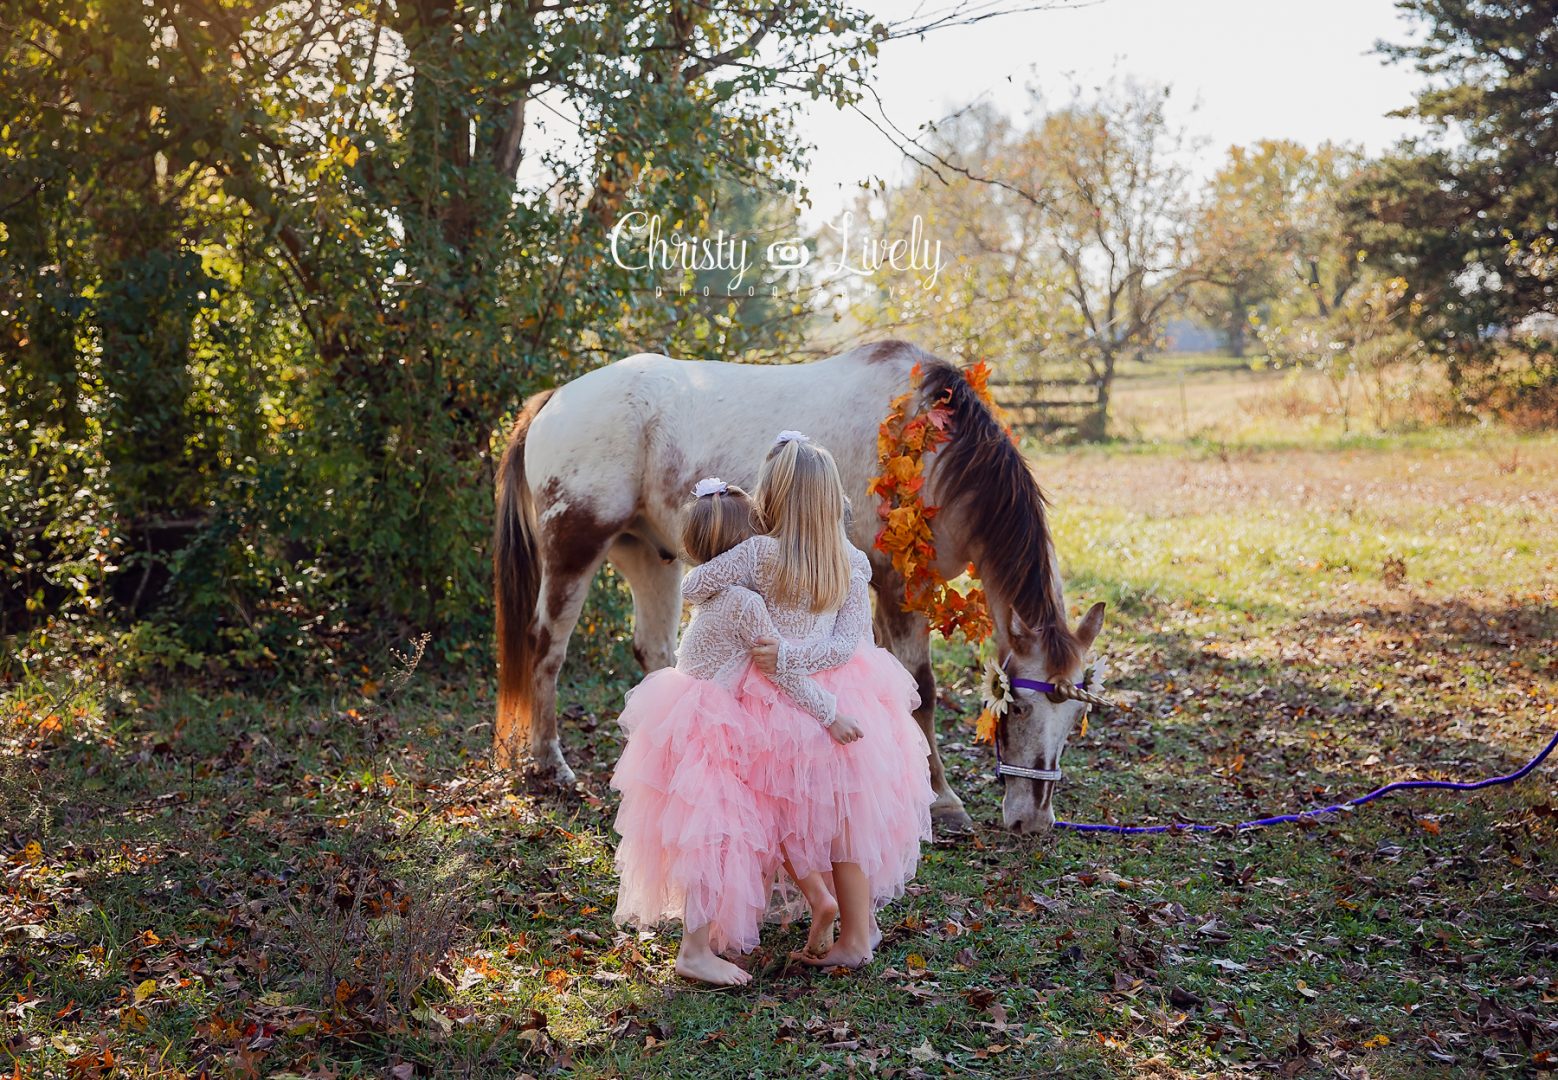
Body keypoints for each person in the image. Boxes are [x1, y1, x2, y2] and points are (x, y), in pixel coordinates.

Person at [681, 432, 935, 969]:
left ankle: (731, 927)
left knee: (766, 809)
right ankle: (857, 935)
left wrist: (783, 654)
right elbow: (848, 644)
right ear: (832, 497)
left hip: (774, 698)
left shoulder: (757, 553)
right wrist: (802, 655)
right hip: (842, 692)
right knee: (845, 816)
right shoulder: (850, 559)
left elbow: (693, 587)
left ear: (770, 496)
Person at [610, 477, 860, 986]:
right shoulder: (745, 605)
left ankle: (811, 900)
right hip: (710, 728)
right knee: (717, 834)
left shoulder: (719, 597)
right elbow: (780, 671)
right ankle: (694, 952)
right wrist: (829, 713)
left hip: (690, 713)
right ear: (745, 547)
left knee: (756, 822)